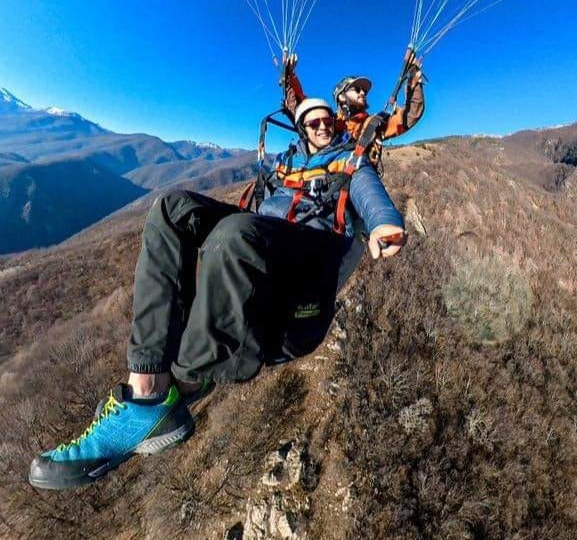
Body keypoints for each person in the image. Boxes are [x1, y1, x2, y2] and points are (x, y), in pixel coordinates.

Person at [29, 99, 406, 490]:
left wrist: (384, 222)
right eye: (311, 123)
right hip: (262, 246)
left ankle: (187, 379)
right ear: (300, 130)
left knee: (236, 235)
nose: (322, 127)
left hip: (306, 270)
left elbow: (367, 188)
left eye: (327, 120)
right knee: (170, 208)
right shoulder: (284, 164)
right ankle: (146, 386)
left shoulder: (349, 160)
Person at [282, 51, 425, 163]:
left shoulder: (374, 124)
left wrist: (413, 83)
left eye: (364, 91)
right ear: (341, 96)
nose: (362, 93)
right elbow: (302, 106)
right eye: (356, 90)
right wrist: (290, 76)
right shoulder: (327, 122)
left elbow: (409, 116)